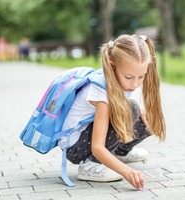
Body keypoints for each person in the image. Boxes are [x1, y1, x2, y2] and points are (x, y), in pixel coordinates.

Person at [58, 34, 166, 190]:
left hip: (88, 138)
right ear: (112, 65)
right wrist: (127, 172)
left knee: (147, 119)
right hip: (76, 148)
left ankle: (119, 153)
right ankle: (91, 166)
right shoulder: (101, 91)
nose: (135, 83)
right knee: (131, 109)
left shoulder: (119, 79)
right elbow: (97, 146)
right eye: (129, 77)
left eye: (141, 77)